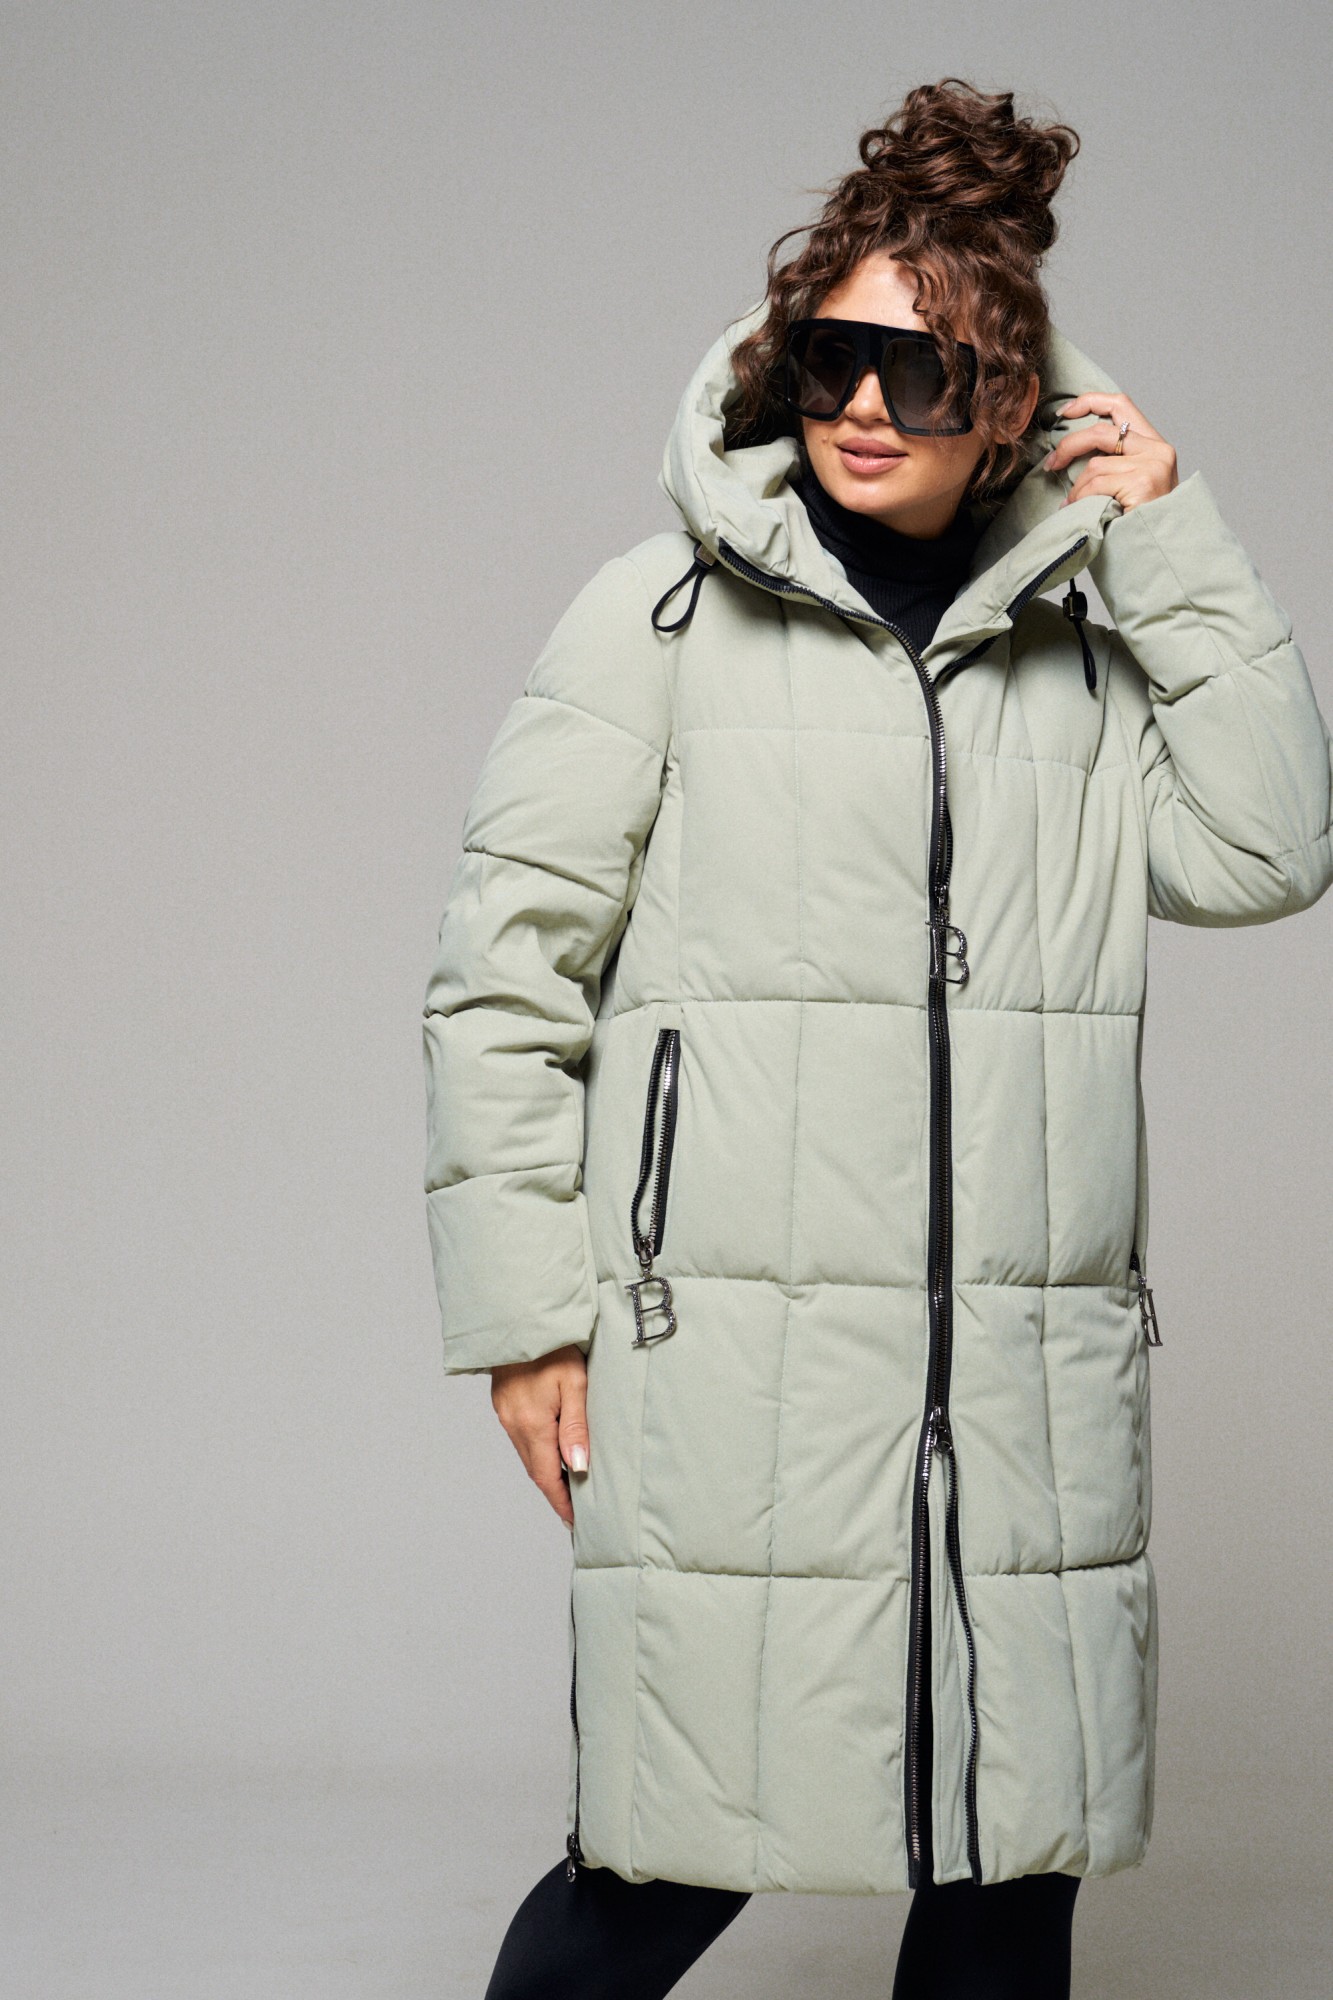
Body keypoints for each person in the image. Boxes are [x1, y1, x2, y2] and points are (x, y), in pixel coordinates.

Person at [421, 78, 1333, 1999]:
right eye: (829, 358)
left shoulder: (1082, 664)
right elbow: (505, 981)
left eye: (919, 373)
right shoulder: (654, 625)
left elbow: (1267, 850)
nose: (860, 405)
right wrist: (525, 1317)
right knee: (659, 1861)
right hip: (734, 1375)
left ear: (1008, 403)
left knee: (1006, 1874)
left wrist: (1164, 537)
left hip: (1023, 1392)